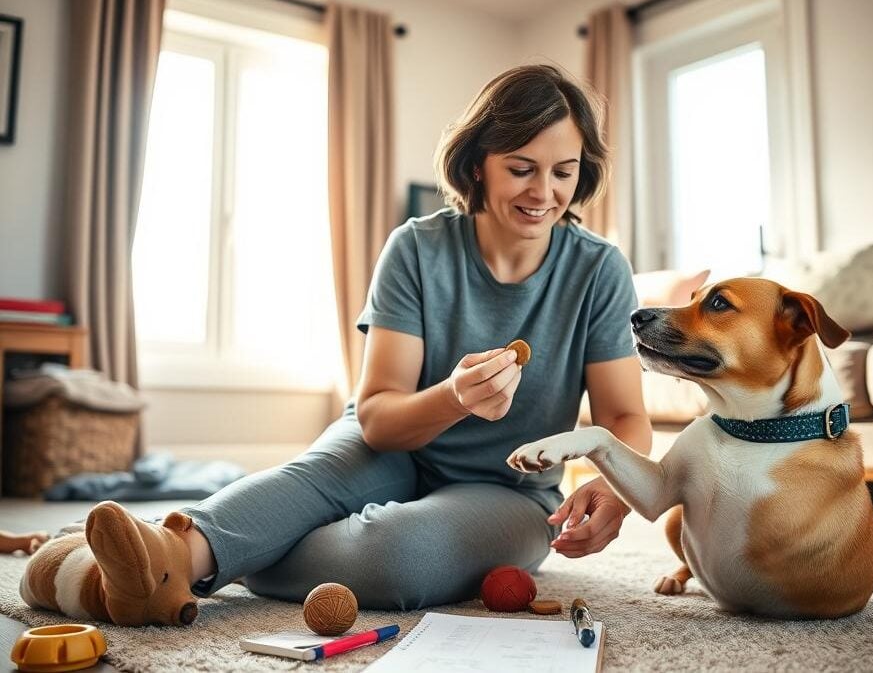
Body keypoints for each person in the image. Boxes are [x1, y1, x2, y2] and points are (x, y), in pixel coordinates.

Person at [146, 64, 649, 611]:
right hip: (390, 449)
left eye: (563, 172)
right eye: (521, 169)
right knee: (304, 485)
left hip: (511, 492)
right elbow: (379, 419)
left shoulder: (599, 269)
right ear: (478, 164)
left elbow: (623, 416)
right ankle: (160, 561)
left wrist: (619, 491)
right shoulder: (416, 248)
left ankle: (223, 556)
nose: (544, 192)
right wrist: (455, 398)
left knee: (399, 555)